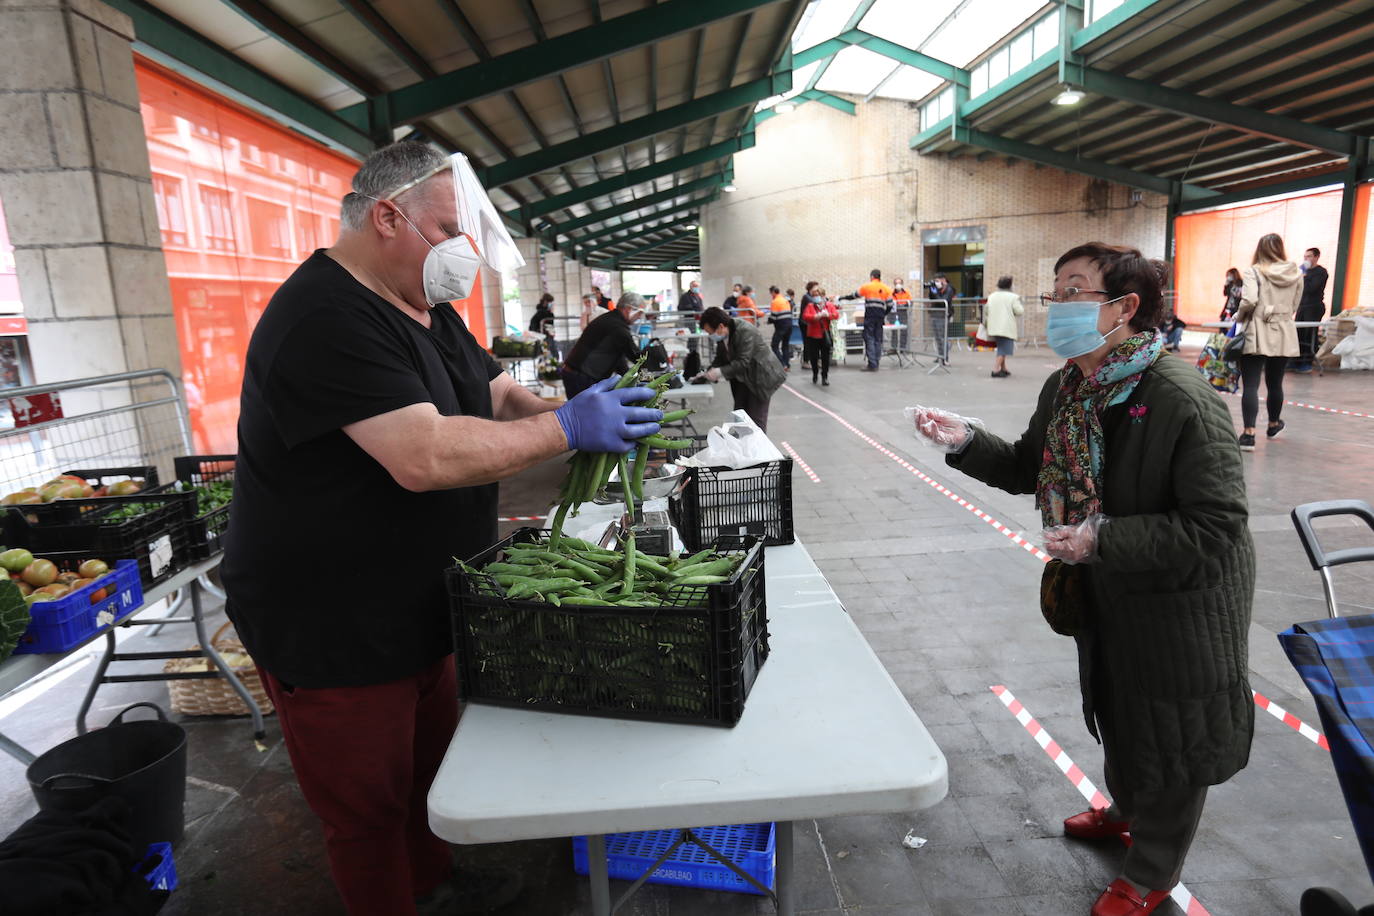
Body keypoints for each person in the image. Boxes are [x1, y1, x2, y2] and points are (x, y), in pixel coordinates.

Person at [221, 141, 662, 916]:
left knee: (429, 772)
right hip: (334, 623)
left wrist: (589, 422)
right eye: (450, 230)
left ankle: (432, 884)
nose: (462, 253)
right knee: (367, 807)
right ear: (388, 217)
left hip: (425, 598)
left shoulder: (426, 308)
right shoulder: (323, 317)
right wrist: (567, 429)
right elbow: (422, 455)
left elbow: (499, 396)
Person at [911, 242, 1254, 916]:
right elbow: (1029, 466)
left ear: (1125, 307)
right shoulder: (1069, 387)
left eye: (1075, 290)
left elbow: (1217, 524)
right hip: (1109, 585)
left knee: (1172, 727)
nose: (1058, 305)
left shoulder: (1181, 397)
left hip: (1180, 602)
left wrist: (1105, 538)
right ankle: (1127, 808)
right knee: (1119, 705)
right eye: (1056, 291)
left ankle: (1151, 871)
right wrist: (966, 441)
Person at [1235, 233, 1301, 451]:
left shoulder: (1253, 271)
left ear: (1259, 249)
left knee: (1251, 384)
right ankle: (1273, 425)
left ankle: (1249, 435)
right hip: (1283, 330)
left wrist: (1239, 316)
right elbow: (1294, 305)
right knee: (1275, 382)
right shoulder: (1296, 273)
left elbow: (1249, 300)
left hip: (1257, 329)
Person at [695, 305, 786, 430]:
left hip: (760, 378)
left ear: (721, 326)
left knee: (755, 422)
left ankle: (756, 443)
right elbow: (721, 357)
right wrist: (707, 372)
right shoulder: (723, 334)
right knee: (740, 418)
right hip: (742, 378)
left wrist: (719, 372)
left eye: (710, 332)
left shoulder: (745, 331)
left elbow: (743, 362)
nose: (710, 335)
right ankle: (742, 441)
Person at [562, 292, 646, 399]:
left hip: (576, 373)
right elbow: (638, 358)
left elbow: (618, 358)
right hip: (582, 376)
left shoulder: (610, 319)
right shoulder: (618, 327)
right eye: (639, 313)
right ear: (629, 309)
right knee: (585, 409)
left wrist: (628, 379)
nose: (639, 317)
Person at [1292, 247, 1328, 373]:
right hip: (1302, 306)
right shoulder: (1302, 272)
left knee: (1309, 334)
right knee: (1298, 333)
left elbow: (1311, 288)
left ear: (1316, 257)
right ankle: (1296, 361)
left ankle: (1307, 362)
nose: (1306, 259)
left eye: (1309, 256)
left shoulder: (1321, 272)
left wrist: (1304, 276)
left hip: (1313, 307)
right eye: (1305, 256)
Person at [983, 275, 1024, 377]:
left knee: (1002, 347)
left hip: (994, 327)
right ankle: (995, 370)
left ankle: (1004, 368)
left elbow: (986, 310)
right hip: (1006, 327)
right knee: (1004, 349)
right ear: (1010, 285)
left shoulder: (992, 296)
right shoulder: (1013, 297)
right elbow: (1019, 311)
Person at [800, 283, 839, 386]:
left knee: (825, 357)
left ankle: (824, 376)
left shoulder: (829, 305)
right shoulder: (810, 306)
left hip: (824, 334)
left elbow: (836, 315)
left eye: (818, 295)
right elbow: (805, 316)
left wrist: (828, 315)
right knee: (814, 357)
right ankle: (815, 373)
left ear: (823, 296)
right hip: (812, 335)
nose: (816, 298)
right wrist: (815, 317)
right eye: (814, 296)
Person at [857, 269, 894, 371]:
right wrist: (884, 313)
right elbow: (890, 304)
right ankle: (876, 362)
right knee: (878, 339)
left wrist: (842, 298)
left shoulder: (867, 287)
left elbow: (854, 295)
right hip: (880, 317)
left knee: (869, 338)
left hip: (869, 316)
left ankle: (872, 364)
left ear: (872, 276)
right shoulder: (886, 288)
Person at [928, 273, 955, 365]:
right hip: (935, 314)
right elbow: (932, 299)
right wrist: (932, 290)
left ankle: (944, 358)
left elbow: (943, 301)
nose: (936, 283)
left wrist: (936, 293)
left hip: (943, 315)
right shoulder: (938, 289)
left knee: (942, 337)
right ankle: (940, 355)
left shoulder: (949, 289)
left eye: (937, 281)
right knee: (937, 337)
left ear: (943, 280)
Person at [767, 284, 794, 370]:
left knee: (774, 345)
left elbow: (773, 316)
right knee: (785, 345)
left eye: (771, 293)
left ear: (773, 292)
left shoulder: (775, 301)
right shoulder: (785, 300)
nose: (771, 295)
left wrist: (768, 321)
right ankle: (787, 364)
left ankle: (782, 364)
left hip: (781, 326)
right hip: (789, 324)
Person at [528, 292, 557, 359]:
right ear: (546, 302)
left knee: (546, 354)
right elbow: (549, 324)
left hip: (543, 336)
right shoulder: (543, 313)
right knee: (551, 355)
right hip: (544, 336)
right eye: (551, 302)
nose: (552, 304)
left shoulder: (540, 312)